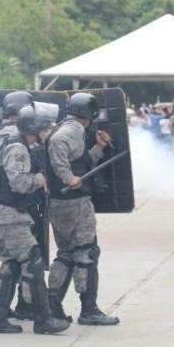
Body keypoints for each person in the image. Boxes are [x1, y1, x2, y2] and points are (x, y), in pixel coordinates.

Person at [0, 104, 70, 335]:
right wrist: (39, 179)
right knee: (32, 261)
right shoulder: (19, 149)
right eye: (46, 126)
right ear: (35, 128)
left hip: (7, 212)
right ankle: (43, 321)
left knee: (12, 265)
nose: (49, 130)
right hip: (10, 215)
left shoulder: (10, 141)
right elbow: (20, 184)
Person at [45, 92, 119, 326]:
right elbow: (60, 160)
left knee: (66, 254)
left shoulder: (67, 129)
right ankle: (89, 310)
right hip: (74, 202)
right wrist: (68, 178)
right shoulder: (69, 132)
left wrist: (98, 148)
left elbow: (80, 161)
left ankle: (53, 305)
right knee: (86, 252)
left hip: (60, 203)